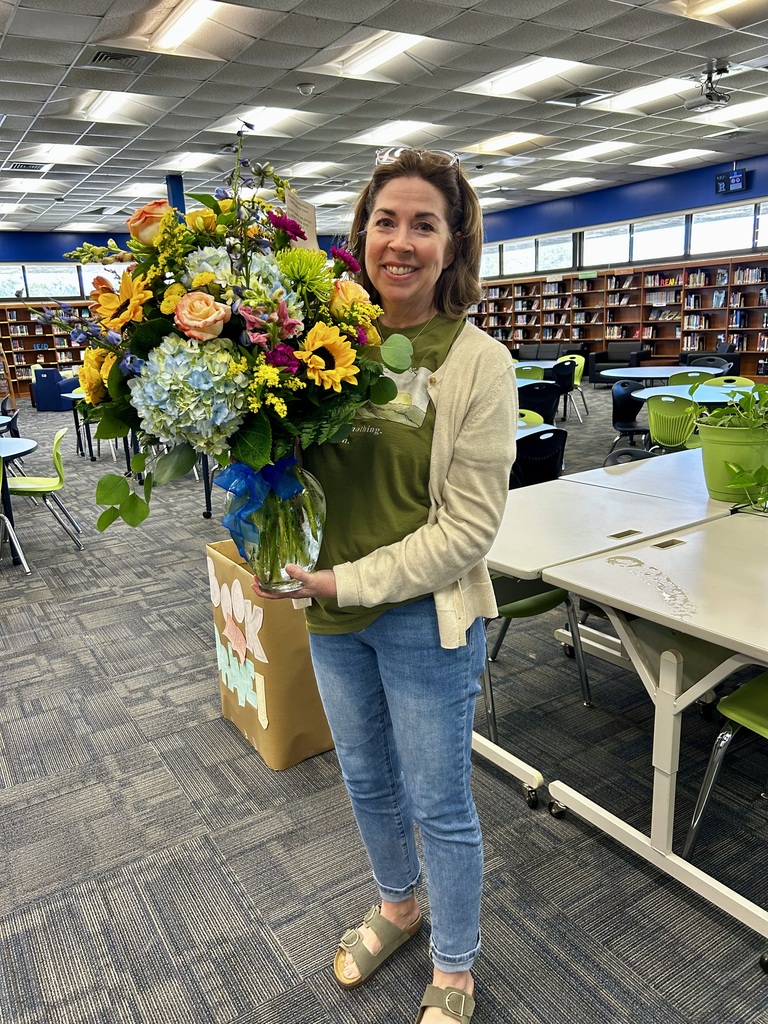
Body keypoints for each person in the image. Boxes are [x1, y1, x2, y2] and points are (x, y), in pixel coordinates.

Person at [253, 147, 518, 1023]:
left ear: (453, 244)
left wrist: (343, 580)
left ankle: (456, 964)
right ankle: (399, 907)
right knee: (367, 781)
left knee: (439, 798)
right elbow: (281, 461)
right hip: (333, 617)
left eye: (424, 224)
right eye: (385, 220)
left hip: (421, 622)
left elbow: (469, 531)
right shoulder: (316, 340)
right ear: (361, 231)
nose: (399, 241)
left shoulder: (480, 363)